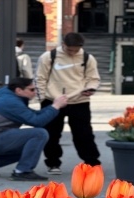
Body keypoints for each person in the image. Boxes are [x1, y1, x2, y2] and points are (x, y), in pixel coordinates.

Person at [0, 78, 68, 181]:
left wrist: (54, 106)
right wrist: (56, 106)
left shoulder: (11, 97)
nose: (36, 92)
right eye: (32, 90)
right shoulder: (11, 102)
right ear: (19, 90)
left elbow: (34, 114)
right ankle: (23, 171)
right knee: (39, 134)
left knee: (30, 148)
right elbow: (37, 121)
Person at [35, 32, 101, 175]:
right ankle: (53, 163)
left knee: (84, 134)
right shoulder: (48, 57)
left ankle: (92, 162)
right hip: (52, 101)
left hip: (79, 100)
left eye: (76, 50)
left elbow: (93, 78)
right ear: (63, 44)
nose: (72, 53)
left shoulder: (87, 57)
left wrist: (91, 88)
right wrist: (42, 99)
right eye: (69, 49)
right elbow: (40, 78)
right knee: (51, 134)